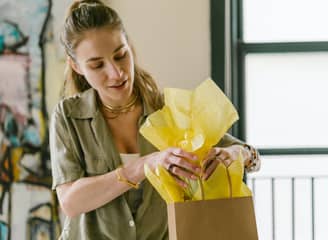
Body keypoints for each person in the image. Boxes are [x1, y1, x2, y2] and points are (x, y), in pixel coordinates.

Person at [50, 0, 261, 239]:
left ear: (130, 47)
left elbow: (246, 152)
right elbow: (70, 202)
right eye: (97, 65)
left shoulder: (168, 109)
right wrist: (145, 165)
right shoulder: (68, 116)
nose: (116, 73)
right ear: (76, 67)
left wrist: (238, 155)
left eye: (120, 56)